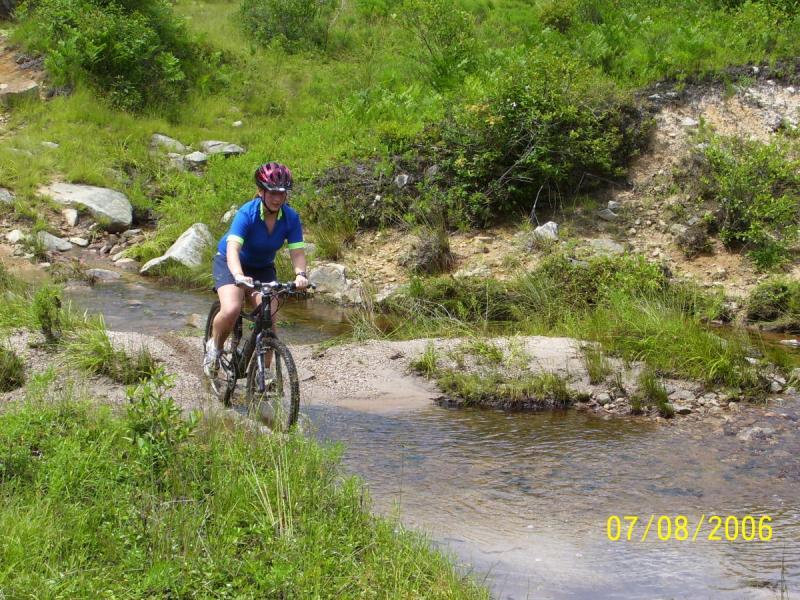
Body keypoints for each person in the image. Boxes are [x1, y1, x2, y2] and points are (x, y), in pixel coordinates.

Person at [204, 162, 309, 377]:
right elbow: (233, 248)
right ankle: (214, 347)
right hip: (230, 262)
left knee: (269, 316)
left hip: (262, 267)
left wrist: (300, 275)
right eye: (272, 192)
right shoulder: (247, 213)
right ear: (261, 191)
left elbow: (297, 252)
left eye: (282, 192)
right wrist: (238, 276)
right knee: (232, 308)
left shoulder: (291, 218)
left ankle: (265, 374)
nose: (277, 198)